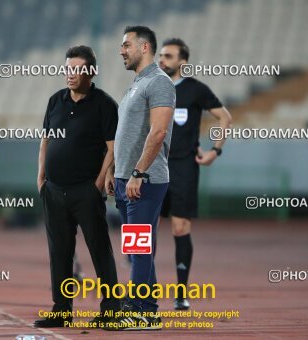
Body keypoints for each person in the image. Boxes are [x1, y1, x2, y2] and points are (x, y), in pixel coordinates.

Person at [34, 45, 120, 328]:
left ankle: (111, 311)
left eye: (77, 70)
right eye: (68, 69)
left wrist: (97, 184)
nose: (70, 75)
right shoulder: (55, 101)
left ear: (91, 72)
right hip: (54, 190)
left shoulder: (104, 104)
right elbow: (46, 140)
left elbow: (112, 148)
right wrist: (42, 176)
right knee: (59, 252)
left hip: (86, 191)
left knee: (99, 250)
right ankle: (61, 310)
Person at [105, 26, 175, 331]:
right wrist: (114, 170)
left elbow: (158, 132)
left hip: (144, 180)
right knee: (136, 248)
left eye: (126, 45)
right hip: (125, 179)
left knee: (140, 247)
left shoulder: (159, 82)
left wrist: (137, 173)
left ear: (144, 47)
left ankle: (137, 310)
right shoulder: (137, 84)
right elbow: (126, 135)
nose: (121, 50)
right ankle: (147, 309)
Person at [158, 38, 232, 310]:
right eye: (160, 55)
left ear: (182, 62)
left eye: (168, 56)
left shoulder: (196, 89)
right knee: (143, 228)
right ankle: (141, 289)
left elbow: (225, 117)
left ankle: (181, 293)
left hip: (183, 168)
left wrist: (215, 151)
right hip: (152, 166)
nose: (161, 60)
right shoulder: (149, 86)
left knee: (180, 228)